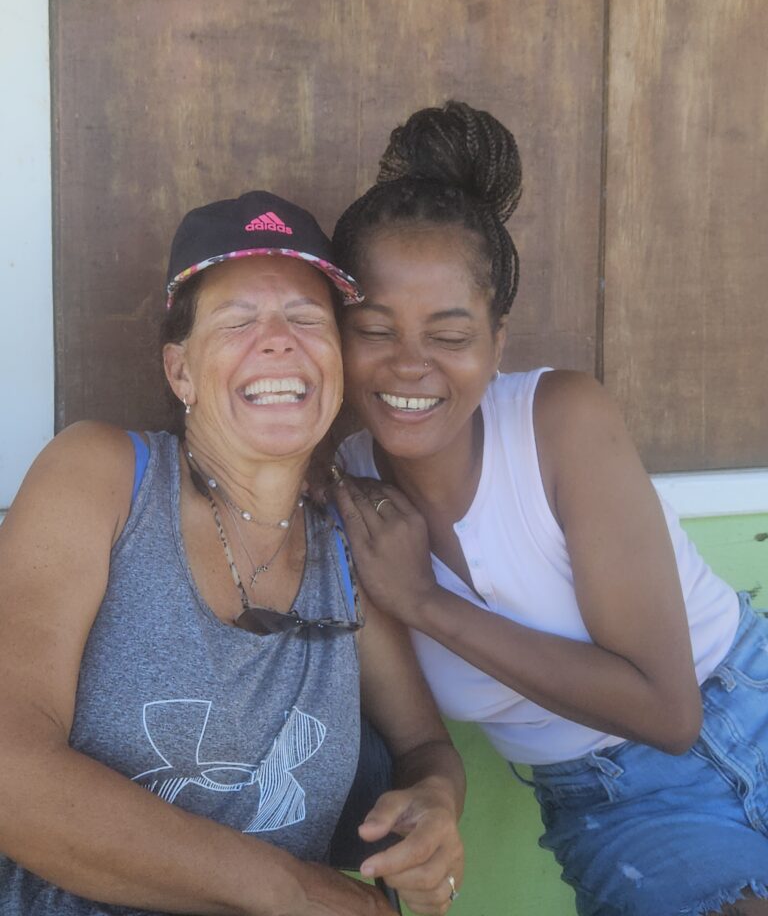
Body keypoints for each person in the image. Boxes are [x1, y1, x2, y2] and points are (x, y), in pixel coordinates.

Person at [331, 101, 768, 916]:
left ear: (497, 343)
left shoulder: (558, 420)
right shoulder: (343, 501)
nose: (410, 365)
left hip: (750, 693)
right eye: (374, 329)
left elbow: (668, 710)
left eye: (449, 336)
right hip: (616, 803)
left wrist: (423, 601)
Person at [0, 190, 465, 916]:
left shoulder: (348, 540)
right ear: (180, 371)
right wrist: (293, 892)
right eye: (237, 320)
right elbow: (10, 769)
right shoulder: (104, 478)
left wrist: (434, 805)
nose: (278, 341)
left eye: (307, 319)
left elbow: (425, 748)